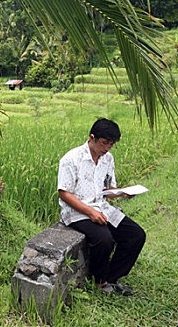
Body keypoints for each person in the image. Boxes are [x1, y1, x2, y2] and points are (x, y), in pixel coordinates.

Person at [57, 118, 146, 296]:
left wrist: (121, 192)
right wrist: (90, 212)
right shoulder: (72, 159)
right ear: (92, 137)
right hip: (76, 212)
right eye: (104, 143)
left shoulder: (107, 159)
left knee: (136, 236)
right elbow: (64, 193)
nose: (106, 149)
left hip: (102, 206)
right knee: (104, 239)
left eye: (111, 145)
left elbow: (106, 189)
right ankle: (99, 281)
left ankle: (111, 276)